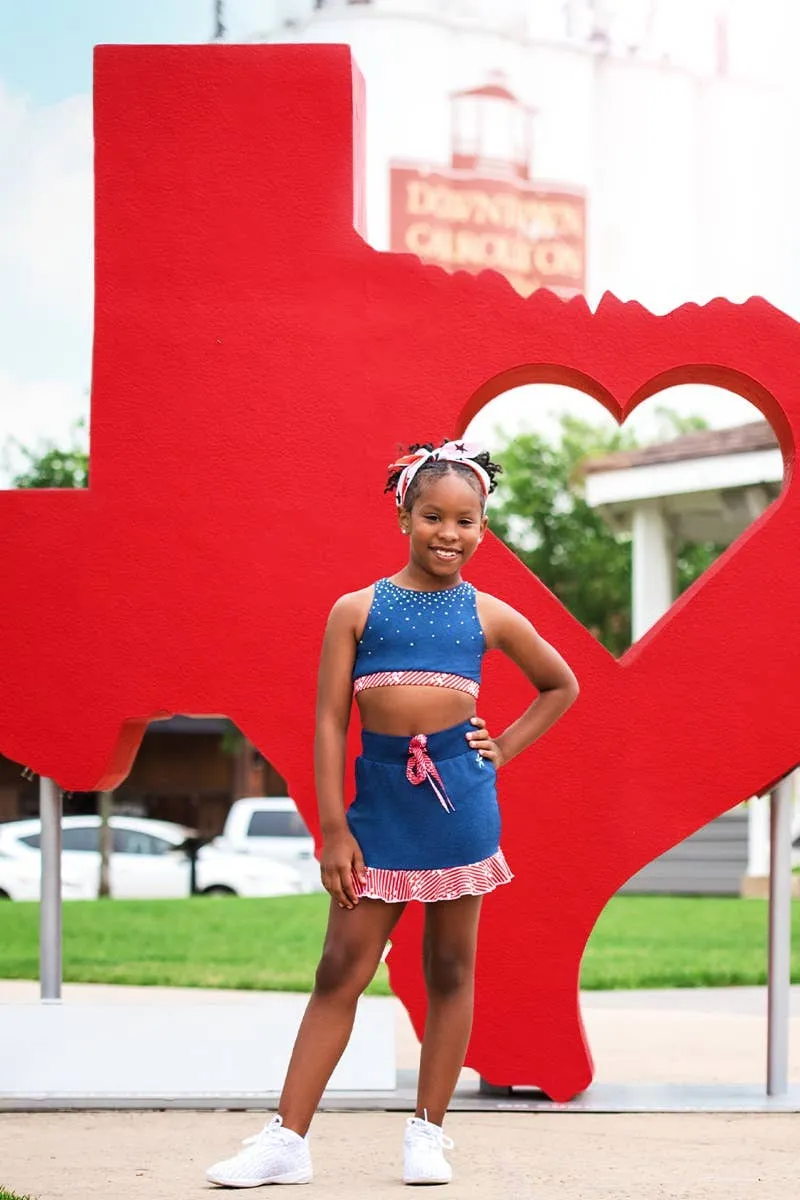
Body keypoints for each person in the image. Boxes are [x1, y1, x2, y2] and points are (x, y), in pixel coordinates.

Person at [206, 439, 579, 1188]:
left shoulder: (491, 614)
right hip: (376, 808)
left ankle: (427, 1134)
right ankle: (286, 1140)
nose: (450, 532)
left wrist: (500, 747)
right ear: (404, 514)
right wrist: (334, 828)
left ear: (483, 526)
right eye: (433, 515)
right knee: (341, 965)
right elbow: (328, 724)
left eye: (467, 520)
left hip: (460, 804)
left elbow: (560, 683)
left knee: (450, 968)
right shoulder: (356, 610)